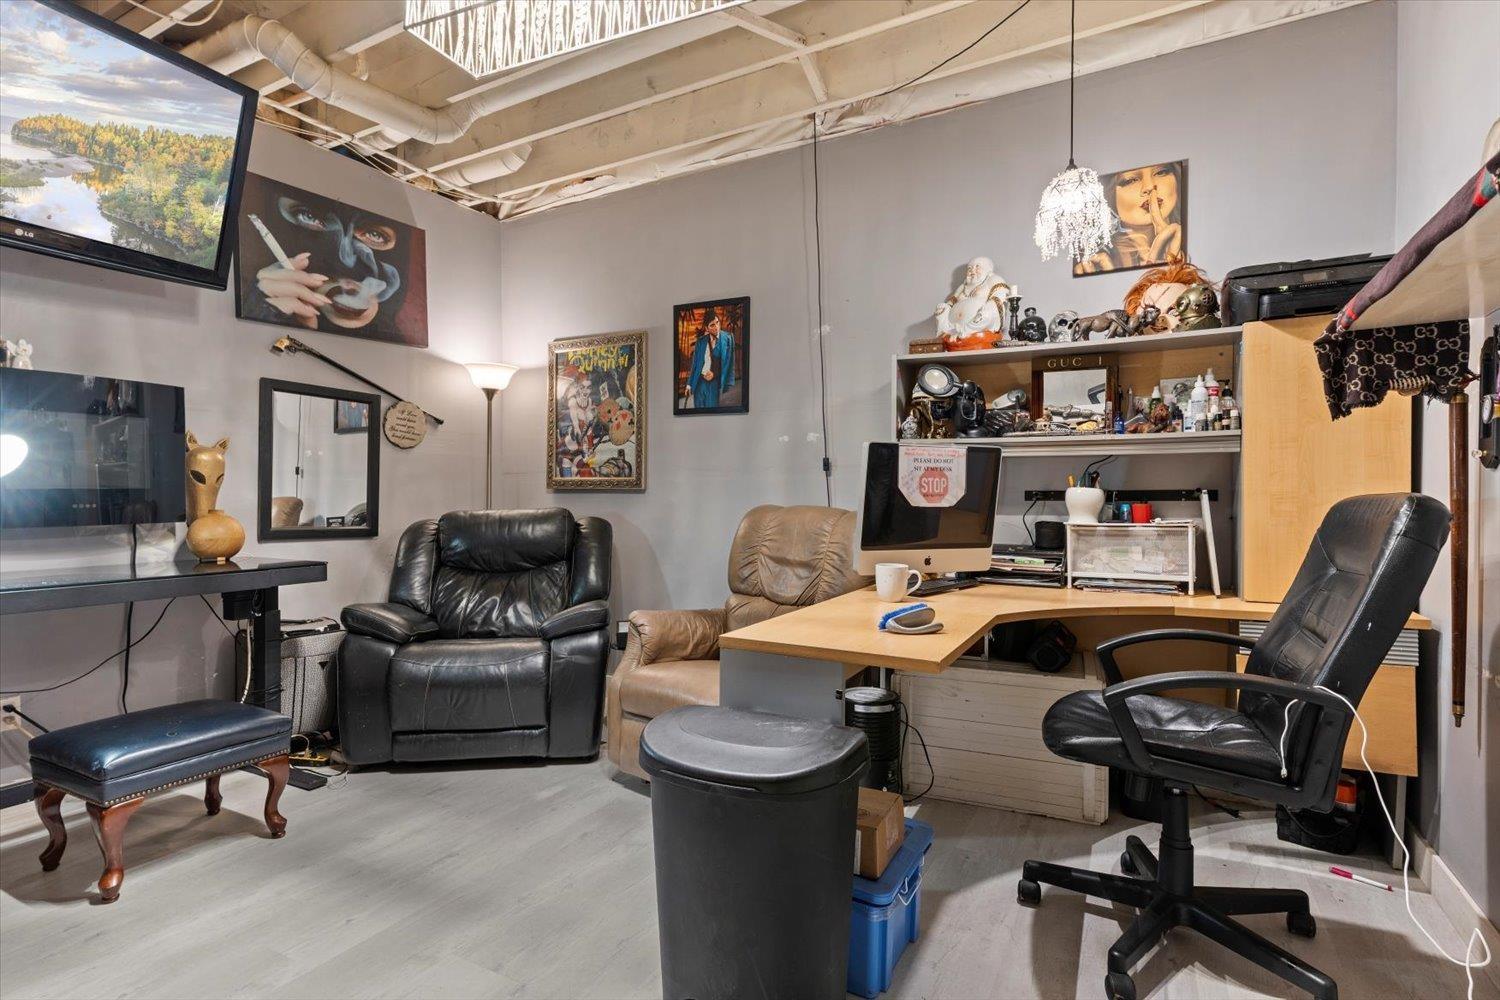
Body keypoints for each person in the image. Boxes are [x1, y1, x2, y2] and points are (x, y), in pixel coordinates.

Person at [1077, 162, 1183, 274]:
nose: (1149, 187)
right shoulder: (1093, 264)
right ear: (1107, 195)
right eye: (1131, 180)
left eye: (1161, 172)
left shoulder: (1188, 243)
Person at [684, 308, 736, 409]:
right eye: (712, 325)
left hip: (713, 383)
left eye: (717, 322)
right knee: (698, 412)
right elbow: (695, 365)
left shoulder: (728, 339)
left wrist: (715, 373)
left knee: (712, 410)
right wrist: (689, 385)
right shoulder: (701, 341)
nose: (716, 327)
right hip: (699, 382)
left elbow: (728, 364)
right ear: (706, 328)